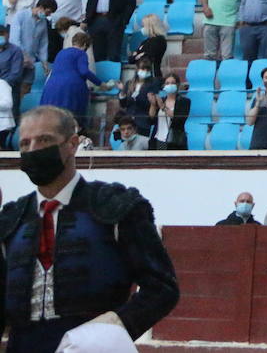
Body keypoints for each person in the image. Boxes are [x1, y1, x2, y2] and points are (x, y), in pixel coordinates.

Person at [0, 106, 179, 351]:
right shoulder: (11, 220)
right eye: (25, 144)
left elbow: (162, 288)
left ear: (72, 144)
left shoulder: (115, 206)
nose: (33, 150)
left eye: (44, 140)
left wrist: (114, 327)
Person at [39, 32, 110, 134]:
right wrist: (100, 84)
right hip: (71, 89)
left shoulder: (61, 53)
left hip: (52, 87)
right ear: (85, 45)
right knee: (72, 119)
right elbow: (84, 71)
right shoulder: (81, 53)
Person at [146, 73, 189, 151]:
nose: (170, 85)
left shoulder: (184, 101)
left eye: (173, 83)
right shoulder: (161, 100)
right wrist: (153, 105)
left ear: (178, 85)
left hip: (174, 139)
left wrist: (163, 107)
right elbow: (151, 119)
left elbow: (179, 120)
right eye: (167, 83)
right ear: (164, 86)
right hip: (159, 138)